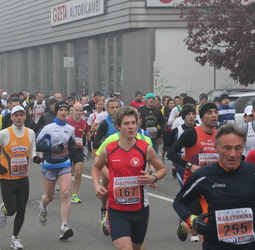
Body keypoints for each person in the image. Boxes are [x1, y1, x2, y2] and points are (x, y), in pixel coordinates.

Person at [92, 106, 166, 250]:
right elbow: (96, 166)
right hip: (116, 209)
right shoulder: (109, 149)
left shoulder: (145, 148)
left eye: (133, 123)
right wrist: (97, 185)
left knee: (137, 247)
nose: (131, 127)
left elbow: (162, 170)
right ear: (118, 126)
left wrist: (153, 178)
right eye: (126, 124)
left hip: (140, 209)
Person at [173, 124, 255, 250]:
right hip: (215, 244)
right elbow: (179, 202)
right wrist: (192, 220)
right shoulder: (203, 175)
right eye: (227, 148)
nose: (233, 154)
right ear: (216, 148)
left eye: (238, 148)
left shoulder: (252, 172)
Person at [167, 102, 218, 242]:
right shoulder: (192, 134)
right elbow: (170, 153)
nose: (214, 115)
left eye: (215, 112)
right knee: (196, 228)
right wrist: (189, 166)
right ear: (201, 117)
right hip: (194, 184)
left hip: (214, 185)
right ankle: (184, 224)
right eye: (209, 112)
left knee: (213, 225)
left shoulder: (219, 135)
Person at [0, 106, 36, 250]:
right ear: (11, 118)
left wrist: (35, 157)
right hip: (7, 178)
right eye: (16, 115)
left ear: (25, 117)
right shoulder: (4, 133)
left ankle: (15, 237)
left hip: (22, 177)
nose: (19, 118)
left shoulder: (30, 132)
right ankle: (4, 209)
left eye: (22, 115)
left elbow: (32, 151)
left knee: (21, 210)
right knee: (12, 210)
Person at [35, 101, 76, 240]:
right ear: (56, 112)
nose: (64, 112)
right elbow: (36, 145)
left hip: (64, 164)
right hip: (49, 165)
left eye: (66, 110)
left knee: (65, 193)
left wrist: (73, 147)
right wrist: (51, 148)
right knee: (49, 197)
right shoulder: (48, 128)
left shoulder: (70, 129)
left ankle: (64, 226)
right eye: (61, 110)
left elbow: (72, 146)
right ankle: (43, 206)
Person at [66, 103, 91, 203]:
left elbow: (89, 135)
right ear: (72, 110)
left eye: (80, 111)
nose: (78, 113)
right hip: (67, 149)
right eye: (77, 110)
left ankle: (75, 194)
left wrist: (95, 142)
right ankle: (65, 190)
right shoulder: (67, 121)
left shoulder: (84, 123)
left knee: (79, 172)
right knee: (66, 172)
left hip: (79, 149)